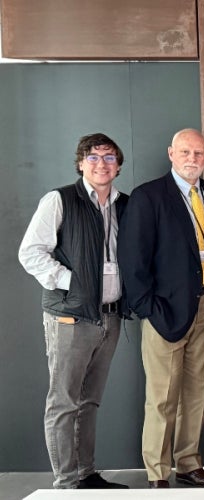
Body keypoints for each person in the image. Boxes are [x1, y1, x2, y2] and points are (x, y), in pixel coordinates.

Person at [18, 133, 129, 490]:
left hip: (109, 317)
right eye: (93, 157)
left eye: (109, 157)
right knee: (64, 402)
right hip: (70, 317)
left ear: (119, 166)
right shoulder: (60, 199)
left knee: (90, 401)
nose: (101, 164)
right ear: (81, 163)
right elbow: (31, 252)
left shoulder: (124, 204)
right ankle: (66, 481)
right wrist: (72, 281)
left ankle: (86, 474)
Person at [118, 128, 204, 489]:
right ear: (171, 154)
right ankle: (157, 471)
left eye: (198, 153)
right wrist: (148, 307)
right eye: (185, 152)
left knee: (197, 393)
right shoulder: (148, 196)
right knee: (162, 397)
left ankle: (188, 463)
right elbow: (133, 260)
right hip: (164, 310)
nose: (192, 159)